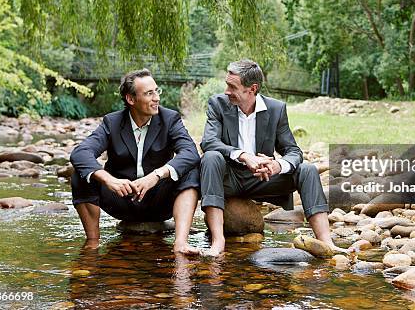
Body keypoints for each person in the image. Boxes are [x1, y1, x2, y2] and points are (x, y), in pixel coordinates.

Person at [199, 59, 338, 255]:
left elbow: (293, 151)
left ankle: (326, 243)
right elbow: (209, 142)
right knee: (211, 157)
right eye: (227, 84)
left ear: (252, 89)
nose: (227, 91)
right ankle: (218, 241)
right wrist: (244, 156)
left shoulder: (276, 109)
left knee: (308, 170)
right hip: (228, 179)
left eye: (232, 86)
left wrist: (277, 166)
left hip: (262, 179)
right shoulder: (218, 104)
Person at [70, 68, 201, 254]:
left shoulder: (170, 119)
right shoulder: (112, 122)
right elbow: (80, 153)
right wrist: (109, 180)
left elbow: (190, 152)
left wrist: (156, 175)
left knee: (190, 169)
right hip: (121, 200)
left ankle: (180, 242)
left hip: (160, 202)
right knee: (81, 174)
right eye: (149, 93)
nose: (157, 98)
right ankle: (92, 242)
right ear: (131, 99)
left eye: (157, 91)